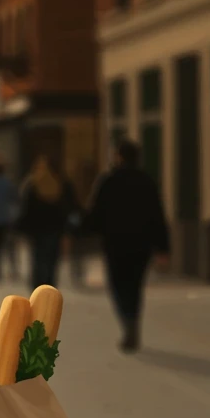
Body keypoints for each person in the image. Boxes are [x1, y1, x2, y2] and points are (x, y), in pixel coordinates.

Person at [82, 138, 170, 351]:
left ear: (118, 157)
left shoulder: (108, 181)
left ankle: (127, 321)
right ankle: (133, 321)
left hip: (115, 243)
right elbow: (157, 215)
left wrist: (86, 232)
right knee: (135, 286)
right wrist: (163, 247)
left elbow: (96, 212)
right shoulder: (146, 182)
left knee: (118, 285)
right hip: (141, 244)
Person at [16, 153, 78, 289]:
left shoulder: (32, 184)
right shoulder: (63, 184)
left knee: (38, 261)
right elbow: (71, 207)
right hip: (56, 230)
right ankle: (49, 289)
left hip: (36, 232)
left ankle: (37, 289)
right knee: (51, 262)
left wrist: (23, 229)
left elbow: (25, 209)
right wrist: (69, 229)